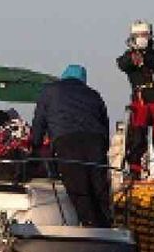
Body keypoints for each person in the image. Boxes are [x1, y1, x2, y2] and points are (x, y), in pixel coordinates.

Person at [29, 64, 112, 226]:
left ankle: (89, 224)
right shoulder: (94, 95)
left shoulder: (50, 91)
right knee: (99, 187)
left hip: (67, 141)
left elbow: (39, 121)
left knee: (79, 187)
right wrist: (104, 147)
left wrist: (35, 146)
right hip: (96, 142)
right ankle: (106, 224)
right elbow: (104, 123)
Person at [115, 20, 154, 179]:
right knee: (137, 138)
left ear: (150, 35)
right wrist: (134, 57)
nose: (141, 38)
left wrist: (146, 59)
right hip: (141, 100)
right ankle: (134, 171)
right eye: (138, 35)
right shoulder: (129, 55)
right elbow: (122, 64)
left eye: (144, 35)